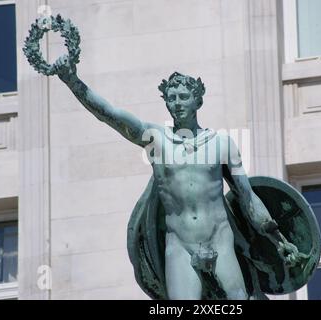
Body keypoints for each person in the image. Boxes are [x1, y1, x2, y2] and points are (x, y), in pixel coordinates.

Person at [53, 56, 303, 300]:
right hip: (180, 246)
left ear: (198, 101)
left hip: (220, 240)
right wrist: (72, 81)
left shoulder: (221, 143)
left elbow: (247, 197)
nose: (177, 103)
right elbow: (110, 114)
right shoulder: (156, 139)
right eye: (171, 99)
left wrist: (278, 238)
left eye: (184, 97)